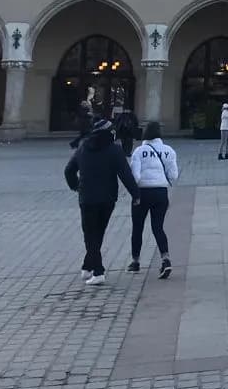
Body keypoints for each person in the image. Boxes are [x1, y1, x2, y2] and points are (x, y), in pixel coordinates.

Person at [64, 119, 139, 286]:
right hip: (107, 199)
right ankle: (95, 270)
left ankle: (91, 267)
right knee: (98, 233)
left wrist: (75, 186)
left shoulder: (83, 148)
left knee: (90, 234)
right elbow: (125, 174)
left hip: (87, 198)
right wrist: (136, 194)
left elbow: (69, 170)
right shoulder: (115, 150)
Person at [128, 121, 178, 279]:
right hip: (161, 193)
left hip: (142, 193)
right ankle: (165, 258)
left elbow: (134, 176)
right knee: (158, 227)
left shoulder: (139, 151)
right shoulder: (169, 151)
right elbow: (174, 176)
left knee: (137, 227)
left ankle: (135, 262)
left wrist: (134, 192)